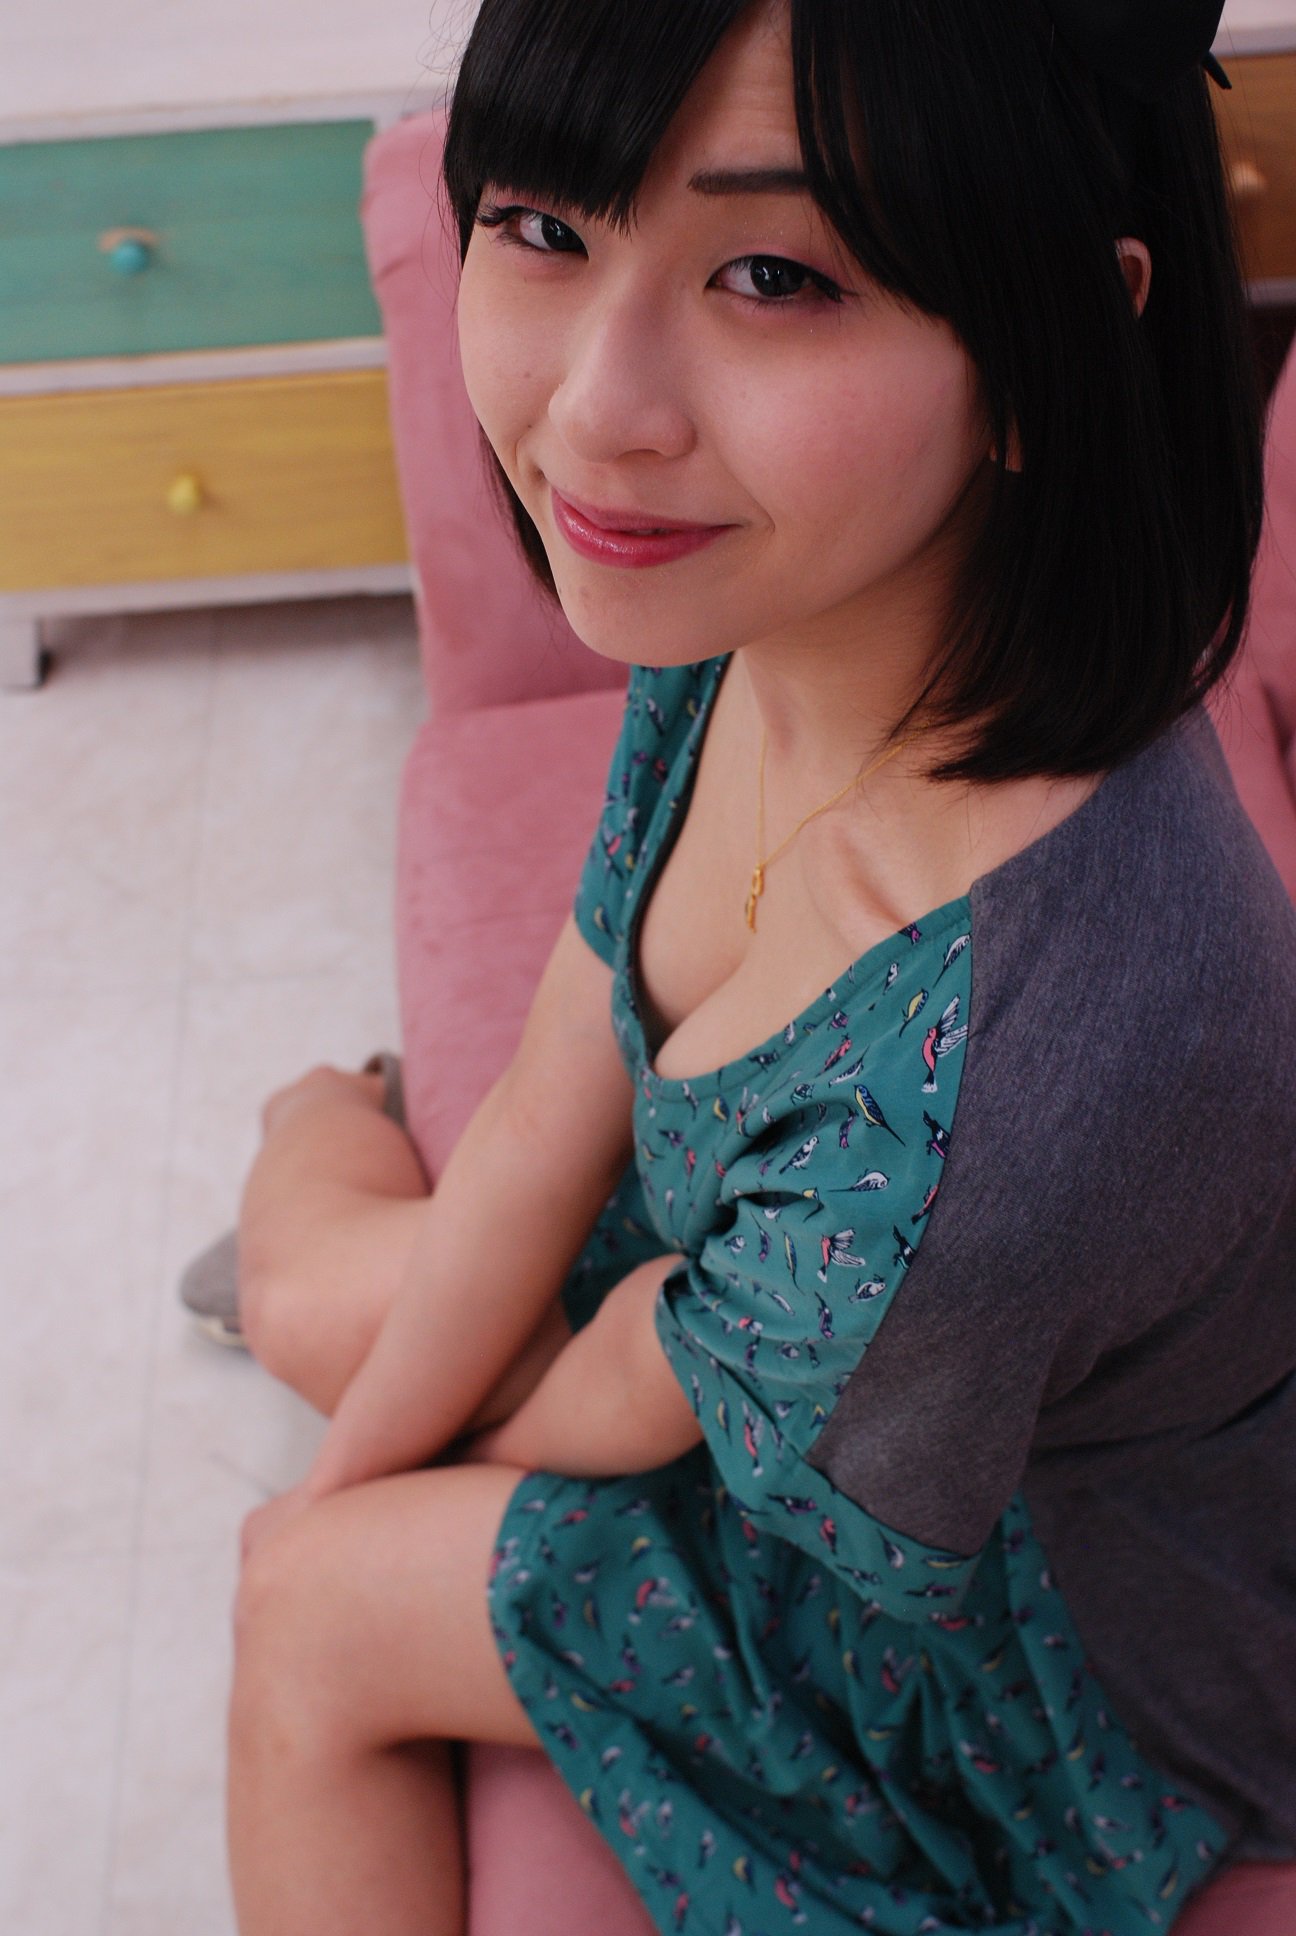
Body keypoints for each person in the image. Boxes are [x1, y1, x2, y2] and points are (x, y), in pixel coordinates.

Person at [224, 1, 1296, 1932]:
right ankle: (339, 1107)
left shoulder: (984, 1110)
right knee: (311, 1295)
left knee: (299, 1607)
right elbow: (567, 1058)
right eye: (545, 227)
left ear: (1052, 339)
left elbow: (654, 1380)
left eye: (776, 275)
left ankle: (342, 1152)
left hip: (1032, 1635)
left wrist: (339, 1526)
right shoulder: (768, 602)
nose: (595, 413)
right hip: (764, 1293)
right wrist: (365, 1465)